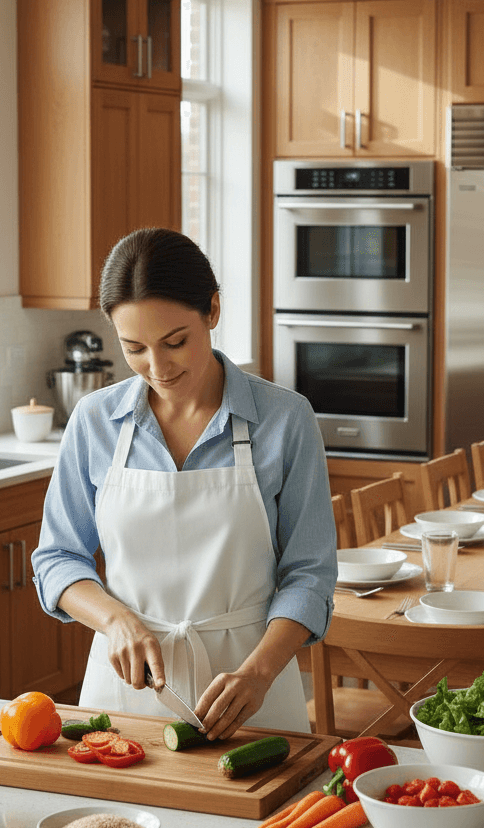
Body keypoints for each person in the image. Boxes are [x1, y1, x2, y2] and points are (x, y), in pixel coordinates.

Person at [32, 228, 336, 740]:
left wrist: (259, 674)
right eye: (134, 348)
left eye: (175, 342)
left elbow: (310, 574)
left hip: (250, 693)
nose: (158, 368)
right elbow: (57, 558)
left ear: (212, 310)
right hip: (124, 692)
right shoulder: (93, 421)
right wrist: (115, 621)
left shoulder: (285, 419)